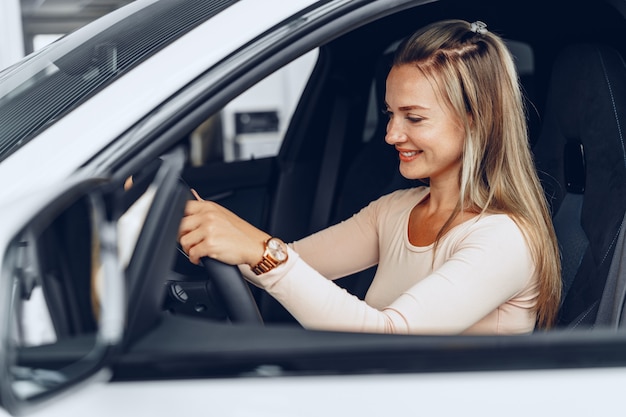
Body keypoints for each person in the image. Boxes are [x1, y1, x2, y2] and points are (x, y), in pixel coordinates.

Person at [178, 19, 562, 335]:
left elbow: (391, 337)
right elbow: (287, 267)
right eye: (390, 114)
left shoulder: (503, 239)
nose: (392, 134)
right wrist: (186, 219)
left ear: (475, 119)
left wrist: (264, 251)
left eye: (413, 118)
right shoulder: (395, 210)